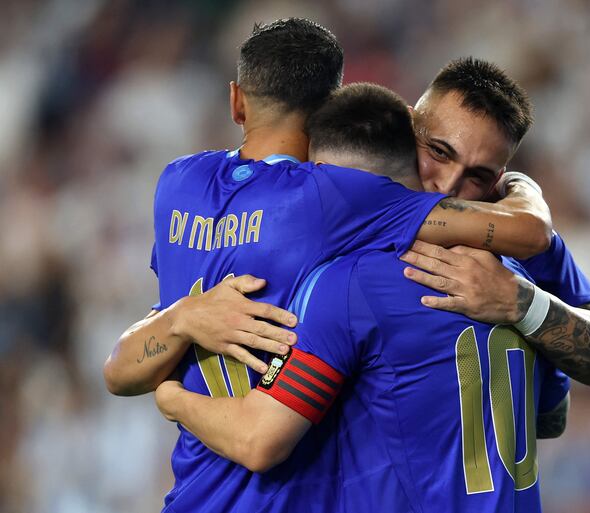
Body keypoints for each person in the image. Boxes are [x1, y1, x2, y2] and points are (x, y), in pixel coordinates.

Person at [103, 20, 554, 511]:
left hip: (190, 496)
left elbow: (118, 373)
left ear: (237, 102)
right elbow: (528, 232)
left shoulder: (178, 184)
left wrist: (183, 321)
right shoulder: (335, 197)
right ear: (329, 112)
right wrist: (518, 183)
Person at [406, 57, 590, 392]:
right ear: (406, 126)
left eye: (477, 175)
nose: (449, 185)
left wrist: (520, 301)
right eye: (440, 152)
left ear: (496, 180)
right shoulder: (345, 199)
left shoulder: (520, 244)